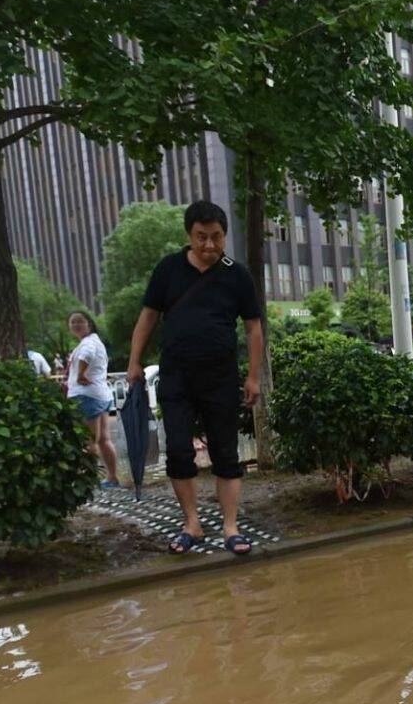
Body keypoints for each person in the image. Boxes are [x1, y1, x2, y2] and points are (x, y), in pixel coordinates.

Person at [126, 200, 265, 555]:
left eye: (216, 238)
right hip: (176, 377)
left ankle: (231, 528)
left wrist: (253, 376)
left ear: (224, 237)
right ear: (189, 235)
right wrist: (134, 362)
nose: (209, 246)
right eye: (201, 237)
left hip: (220, 376)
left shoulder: (237, 274)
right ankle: (193, 524)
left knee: (226, 454)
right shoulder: (168, 269)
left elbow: (253, 328)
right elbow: (147, 317)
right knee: (177, 452)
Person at [66, 311, 121, 488]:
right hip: (100, 394)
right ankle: (112, 478)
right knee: (104, 439)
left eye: (79, 321)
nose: (75, 325)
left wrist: (81, 374)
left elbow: (86, 356)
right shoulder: (96, 341)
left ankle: (89, 482)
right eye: (72, 322)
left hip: (86, 395)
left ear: (89, 324)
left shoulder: (88, 343)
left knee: (88, 441)